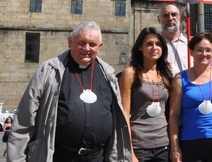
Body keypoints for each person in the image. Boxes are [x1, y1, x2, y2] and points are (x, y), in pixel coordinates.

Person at [7, 21, 132, 161]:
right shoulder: (49, 71)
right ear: (70, 41)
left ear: (99, 47)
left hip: (97, 157)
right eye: (81, 43)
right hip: (59, 156)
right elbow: (24, 120)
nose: (86, 48)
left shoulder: (108, 75)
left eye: (92, 44)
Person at [168, 31, 212, 162]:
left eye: (208, 50)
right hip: (190, 142)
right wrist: (175, 147)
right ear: (191, 52)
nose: (204, 54)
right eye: (199, 50)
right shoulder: (180, 78)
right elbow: (174, 115)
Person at [120, 27, 174, 162]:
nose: (154, 48)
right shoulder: (130, 74)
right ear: (140, 47)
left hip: (164, 145)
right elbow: (124, 114)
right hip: (139, 146)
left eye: (158, 44)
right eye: (149, 44)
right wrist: (130, 151)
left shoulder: (166, 75)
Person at [158, 3, 191, 75]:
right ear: (158, 19)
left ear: (181, 18)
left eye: (174, 15)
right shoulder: (153, 44)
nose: (170, 18)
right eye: (166, 15)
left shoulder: (192, 43)